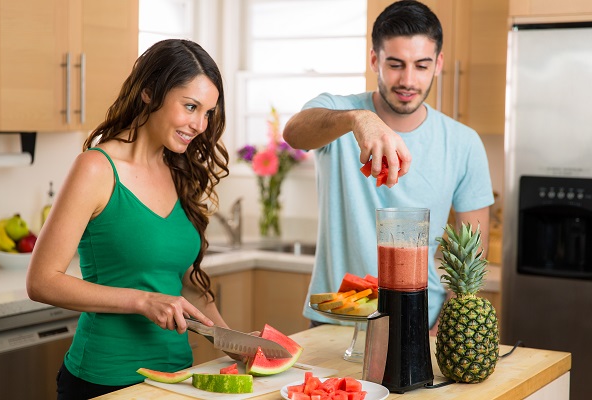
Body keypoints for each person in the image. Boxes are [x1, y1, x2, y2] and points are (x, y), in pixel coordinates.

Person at [26, 39, 233, 399]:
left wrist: (235, 342)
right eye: (190, 106)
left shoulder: (179, 168)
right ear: (150, 93)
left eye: (208, 113)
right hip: (105, 380)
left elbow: (185, 281)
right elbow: (42, 281)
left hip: (177, 379)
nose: (200, 124)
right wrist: (142, 301)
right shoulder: (96, 169)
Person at [282, 0, 494, 332]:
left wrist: (441, 329)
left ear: (438, 64)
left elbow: (474, 252)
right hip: (336, 320)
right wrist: (359, 120)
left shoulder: (463, 142)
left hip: (424, 322)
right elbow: (294, 133)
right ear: (374, 60)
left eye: (421, 66)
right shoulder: (339, 114)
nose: (408, 80)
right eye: (395, 64)